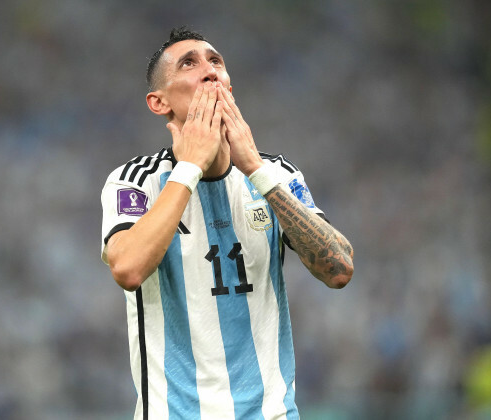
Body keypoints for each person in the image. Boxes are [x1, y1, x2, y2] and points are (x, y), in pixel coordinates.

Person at [100, 27, 354, 420]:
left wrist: (254, 167)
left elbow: (339, 269)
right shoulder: (137, 180)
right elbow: (128, 268)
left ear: (230, 88)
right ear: (158, 102)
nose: (209, 70)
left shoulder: (275, 175)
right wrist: (188, 168)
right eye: (189, 63)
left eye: (216, 61)